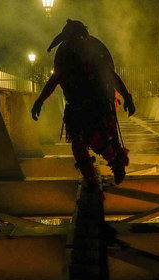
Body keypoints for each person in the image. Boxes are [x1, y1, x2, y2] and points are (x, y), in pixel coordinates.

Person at [31, 19, 135, 190]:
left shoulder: (90, 52)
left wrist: (127, 97)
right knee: (80, 146)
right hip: (79, 107)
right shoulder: (69, 53)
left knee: (101, 138)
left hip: (99, 105)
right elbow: (55, 79)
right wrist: (40, 100)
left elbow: (111, 76)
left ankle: (115, 164)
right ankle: (96, 179)